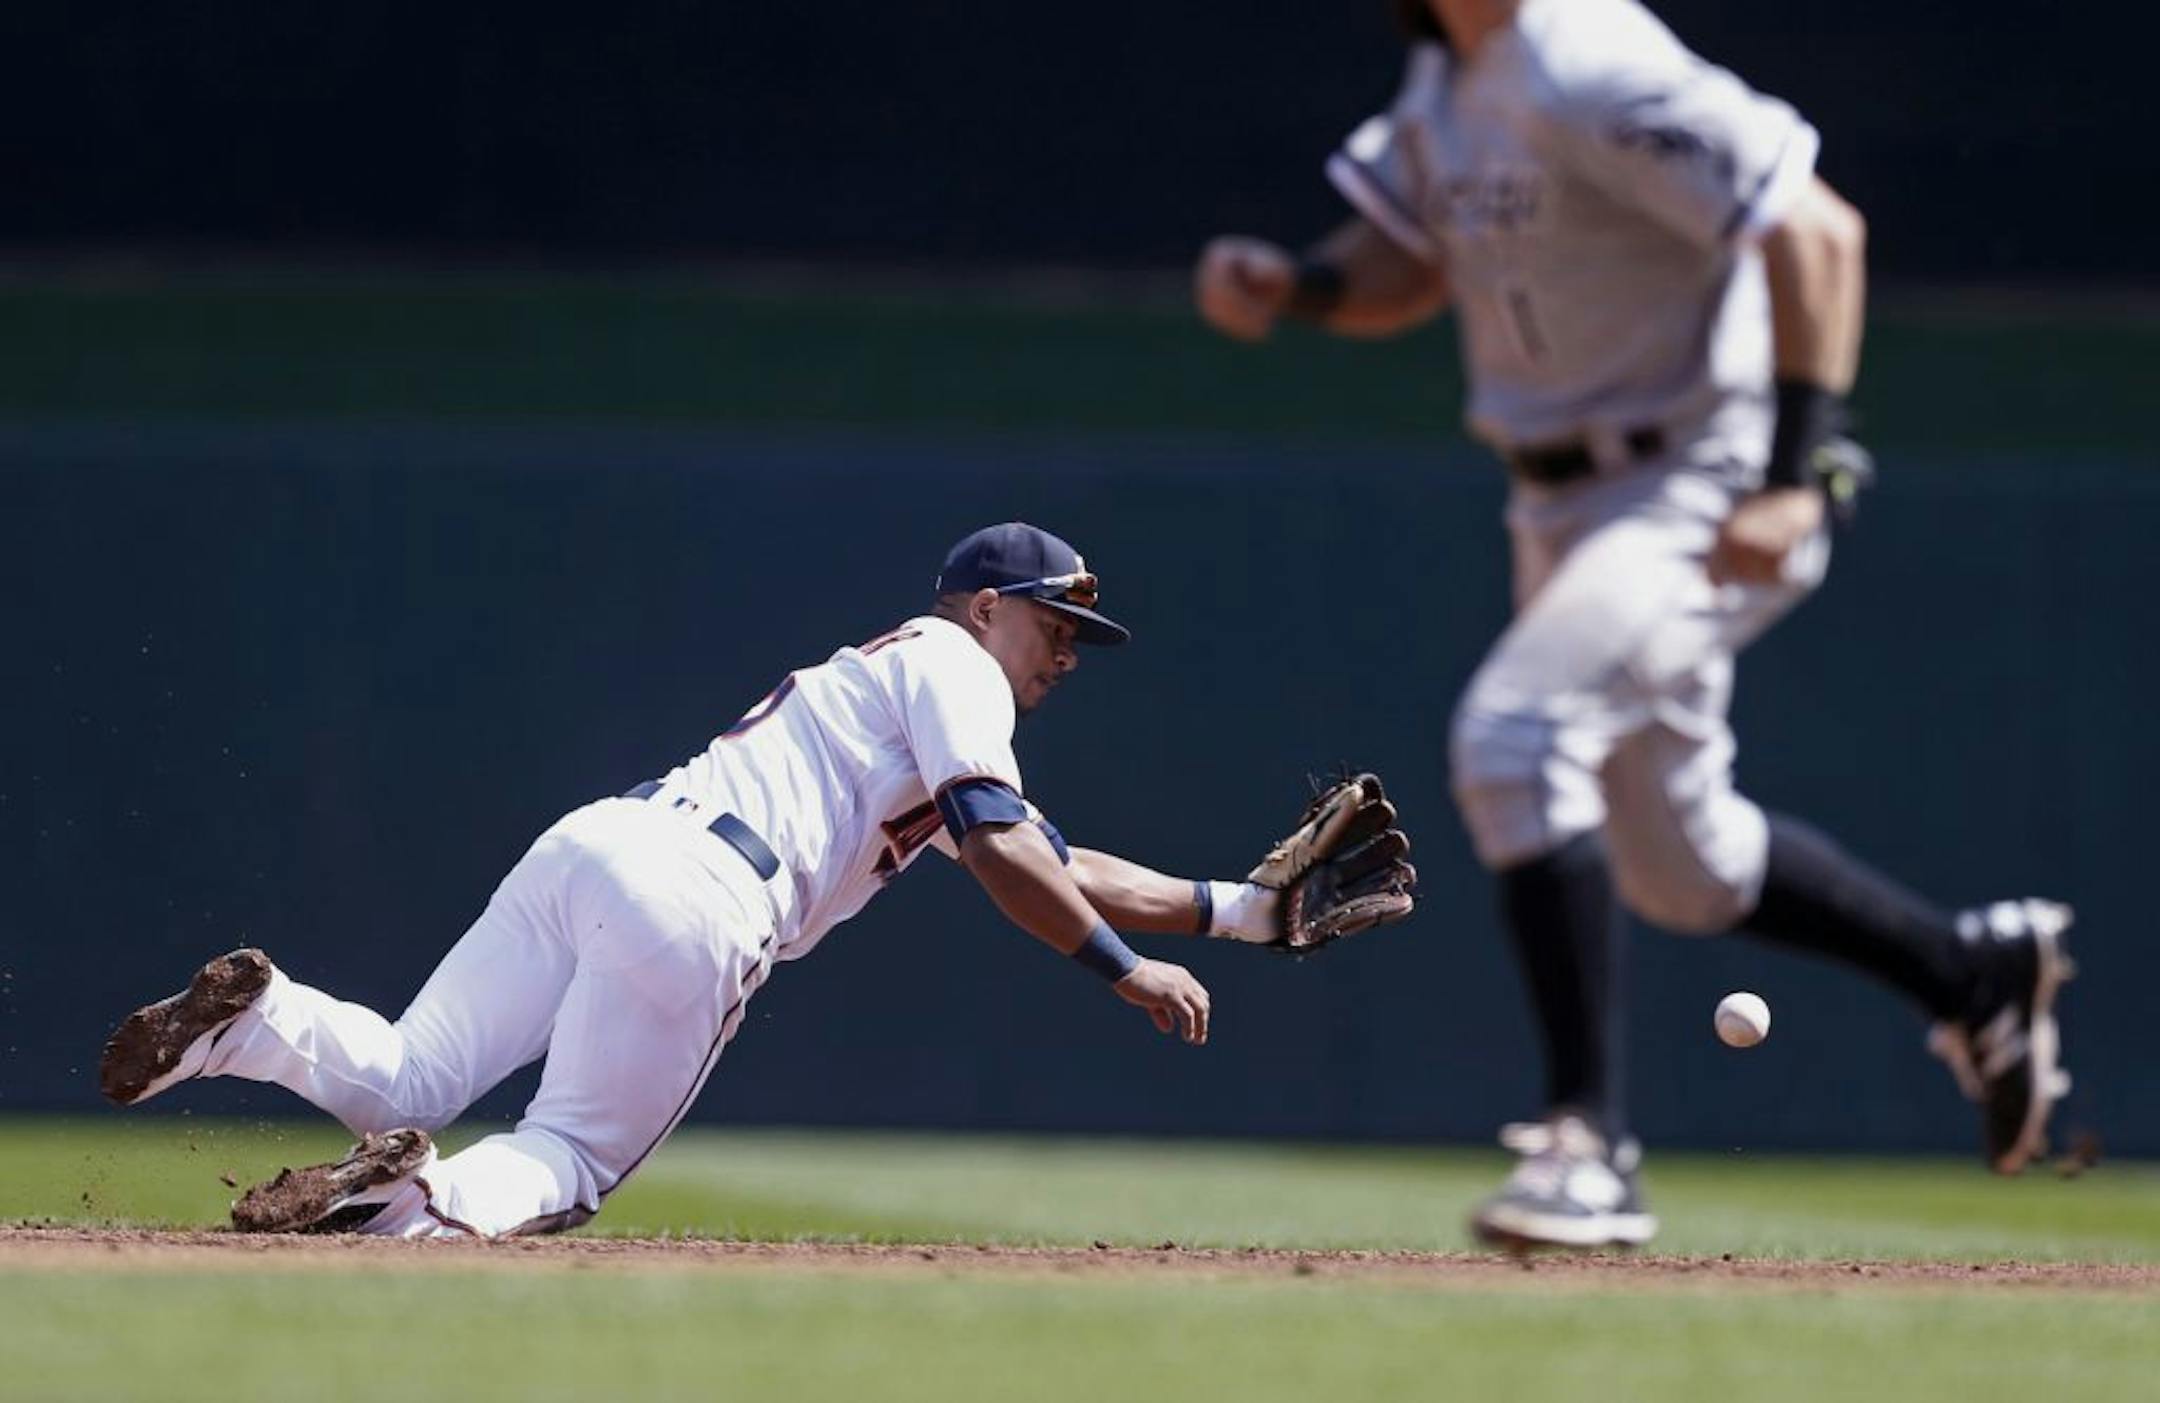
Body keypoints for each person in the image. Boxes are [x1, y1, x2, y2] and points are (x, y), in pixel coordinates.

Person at [1192, 0, 2074, 1249]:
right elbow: (1411, 260)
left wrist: (1792, 469)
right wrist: (1300, 283)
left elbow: (1817, 229)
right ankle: (1971, 973)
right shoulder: (1452, 79)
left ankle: (1586, 1147)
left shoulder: (1588, 56)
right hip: (1562, 502)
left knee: (1514, 735)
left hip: (1696, 484)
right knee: (1682, 863)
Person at [98, 522, 1312, 1237]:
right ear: (987, 606)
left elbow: (1052, 856)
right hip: (704, 901)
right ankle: (406, 1203)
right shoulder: (959, 664)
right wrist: (1121, 967)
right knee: (566, 1159)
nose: (1064, 652)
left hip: (604, 841)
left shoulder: (899, 700)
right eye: (1054, 624)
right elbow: (1005, 854)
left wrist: (1237, 912)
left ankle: (257, 1021)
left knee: (415, 1069)